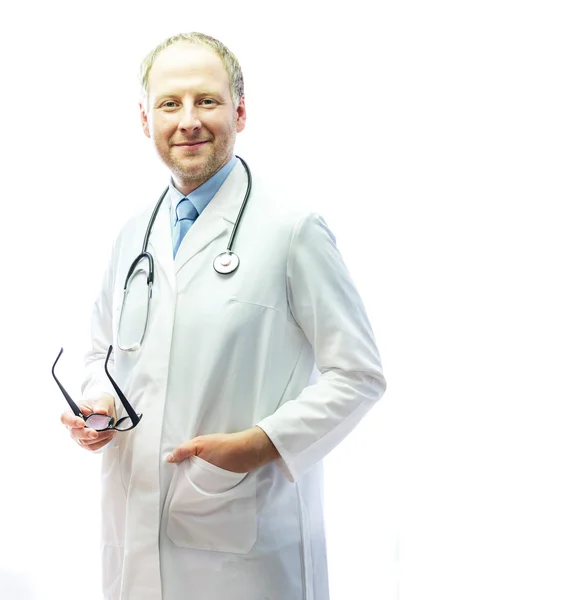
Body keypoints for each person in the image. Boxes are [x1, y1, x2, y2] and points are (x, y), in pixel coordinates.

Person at [59, 32, 386, 600]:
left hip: (245, 540)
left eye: (206, 101)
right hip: (134, 529)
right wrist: (98, 405)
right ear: (145, 120)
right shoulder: (132, 232)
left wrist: (261, 443)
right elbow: (100, 353)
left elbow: (358, 374)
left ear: (239, 110)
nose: (188, 120)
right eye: (170, 104)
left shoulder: (293, 229)